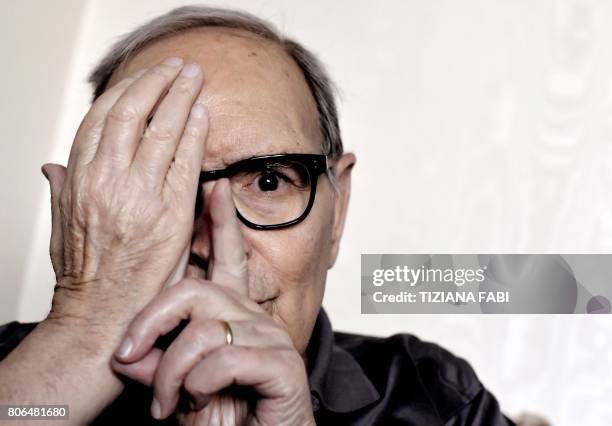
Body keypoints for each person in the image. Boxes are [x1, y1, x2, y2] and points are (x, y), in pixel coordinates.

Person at [0, 6, 515, 425]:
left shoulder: (437, 401)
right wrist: (85, 331)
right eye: (158, 181)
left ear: (337, 216)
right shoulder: (16, 371)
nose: (212, 241)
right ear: (82, 212)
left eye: (269, 180)